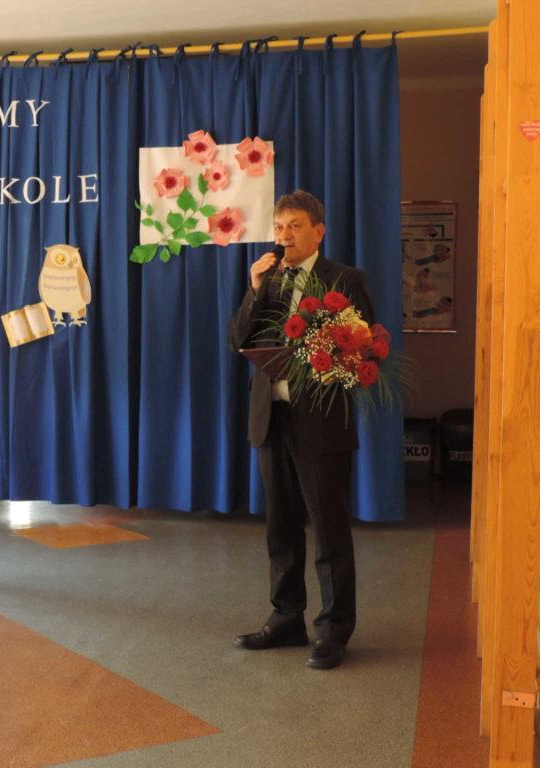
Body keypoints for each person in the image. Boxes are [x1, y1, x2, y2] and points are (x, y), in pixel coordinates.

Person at [228, 190, 375, 670]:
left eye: (294, 226)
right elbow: (239, 339)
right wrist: (254, 289)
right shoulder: (268, 278)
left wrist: (327, 356)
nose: (284, 236)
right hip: (272, 418)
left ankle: (333, 630)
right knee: (281, 529)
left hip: (322, 423)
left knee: (329, 532)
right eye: (278, 227)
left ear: (318, 231)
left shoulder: (345, 279)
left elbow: (365, 346)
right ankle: (286, 618)